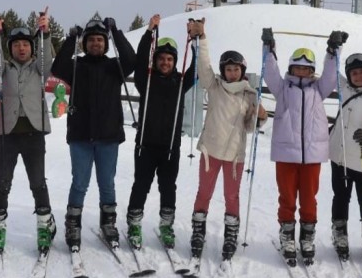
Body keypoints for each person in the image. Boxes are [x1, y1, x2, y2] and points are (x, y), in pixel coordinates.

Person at [50, 16, 135, 252]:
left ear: (105, 44)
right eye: (91, 40)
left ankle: (107, 223)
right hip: (80, 136)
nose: (96, 43)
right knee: (80, 183)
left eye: (100, 40)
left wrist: (115, 31)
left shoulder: (114, 67)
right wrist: (70, 39)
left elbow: (131, 60)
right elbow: (57, 68)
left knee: (107, 184)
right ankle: (73, 223)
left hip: (108, 136)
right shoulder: (76, 66)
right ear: (85, 44)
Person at [264, 31, 347, 266]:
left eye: (306, 68)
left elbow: (331, 76)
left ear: (312, 71)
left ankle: (307, 237)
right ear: (290, 69)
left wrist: (333, 51)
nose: (301, 72)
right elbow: (270, 74)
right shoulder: (282, 89)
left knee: (309, 198)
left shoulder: (318, 90)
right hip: (286, 153)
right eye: (297, 67)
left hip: (312, 155)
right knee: (287, 196)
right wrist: (269, 49)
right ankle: (287, 234)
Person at [188, 19, 267, 264]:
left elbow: (249, 127)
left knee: (231, 196)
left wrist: (259, 117)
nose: (232, 72)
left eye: (236, 69)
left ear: (242, 70)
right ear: (223, 70)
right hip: (211, 151)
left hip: (234, 156)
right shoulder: (214, 86)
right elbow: (203, 66)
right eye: (228, 68)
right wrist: (201, 38)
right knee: (204, 192)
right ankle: (198, 230)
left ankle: (231, 234)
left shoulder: (250, 94)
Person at [0, 10, 55, 256]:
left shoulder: (39, 68)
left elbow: (48, 58)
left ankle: (45, 225)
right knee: (3, 181)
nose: (22, 48)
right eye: (17, 45)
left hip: (34, 133)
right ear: (11, 48)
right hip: (7, 133)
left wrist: (45, 32)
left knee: (38, 182)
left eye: (26, 44)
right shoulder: (4, 69)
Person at [126, 14, 197, 250]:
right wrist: (149, 32)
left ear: (175, 61)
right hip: (145, 145)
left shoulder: (180, 81)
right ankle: (134, 225)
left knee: (168, 187)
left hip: (170, 148)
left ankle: (166, 225)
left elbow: (197, 70)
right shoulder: (145, 79)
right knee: (141, 185)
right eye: (161, 59)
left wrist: (195, 39)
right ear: (156, 60)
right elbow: (139, 62)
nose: (165, 62)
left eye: (169, 59)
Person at [327, 53, 362, 263]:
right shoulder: (346, 88)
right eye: (354, 73)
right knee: (340, 197)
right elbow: (332, 72)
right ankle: (339, 232)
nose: (358, 76)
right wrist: (332, 51)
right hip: (339, 155)